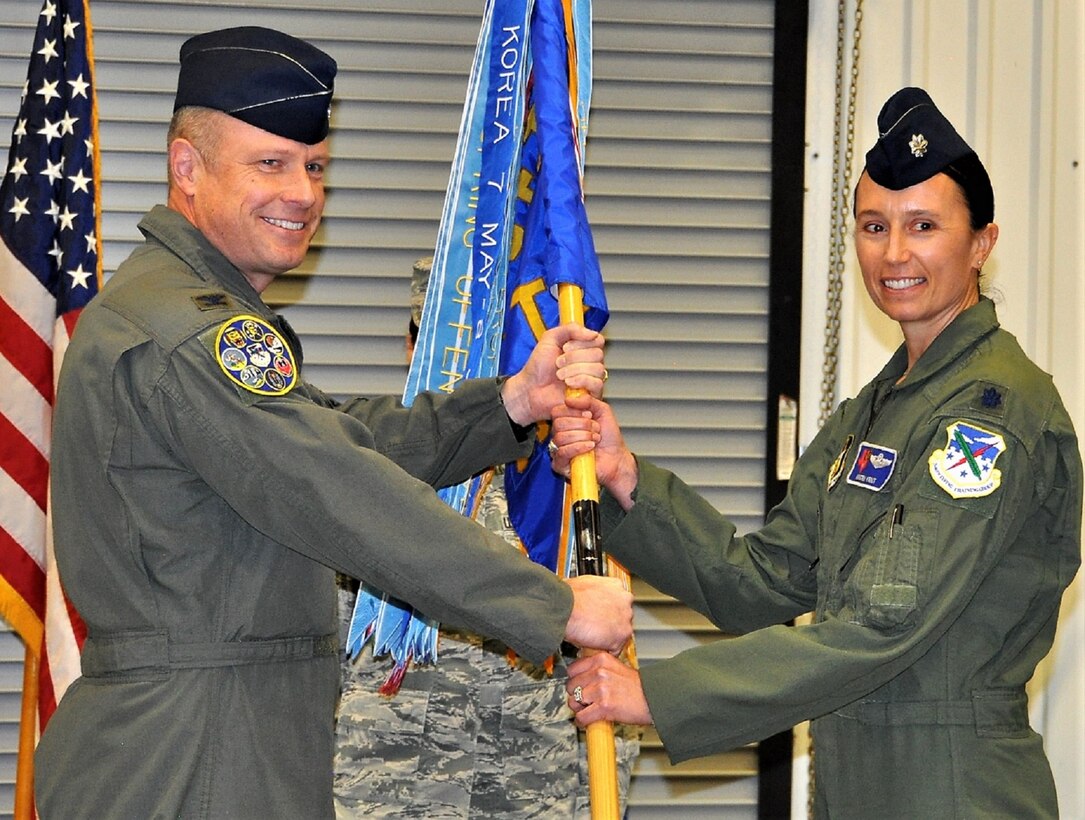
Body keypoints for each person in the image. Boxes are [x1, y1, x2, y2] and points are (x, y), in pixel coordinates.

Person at [36, 27, 633, 819]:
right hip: (199, 752)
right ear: (188, 168)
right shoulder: (191, 331)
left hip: (216, 731)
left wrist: (509, 404)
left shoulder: (180, 310)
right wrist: (554, 606)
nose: (302, 193)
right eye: (270, 164)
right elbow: (334, 486)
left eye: (314, 166)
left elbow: (335, 442)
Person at [550, 86, 1082, 818]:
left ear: (980, 242)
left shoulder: (990, 412)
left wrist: (661, 694)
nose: (893, 253)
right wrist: (627, 482)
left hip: (950, 789)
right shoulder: (877, 409)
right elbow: (763, 583)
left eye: (922, 225)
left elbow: (881, 628)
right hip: (855, 781)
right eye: (872, 226)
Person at [333, 259, 641, 818]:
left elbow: (610, 671)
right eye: (445, 345)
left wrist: (601, 803)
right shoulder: (364, 466)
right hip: (385, 789)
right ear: (412, 347)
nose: (475, 370)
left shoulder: (569, 479)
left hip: (530, 788)